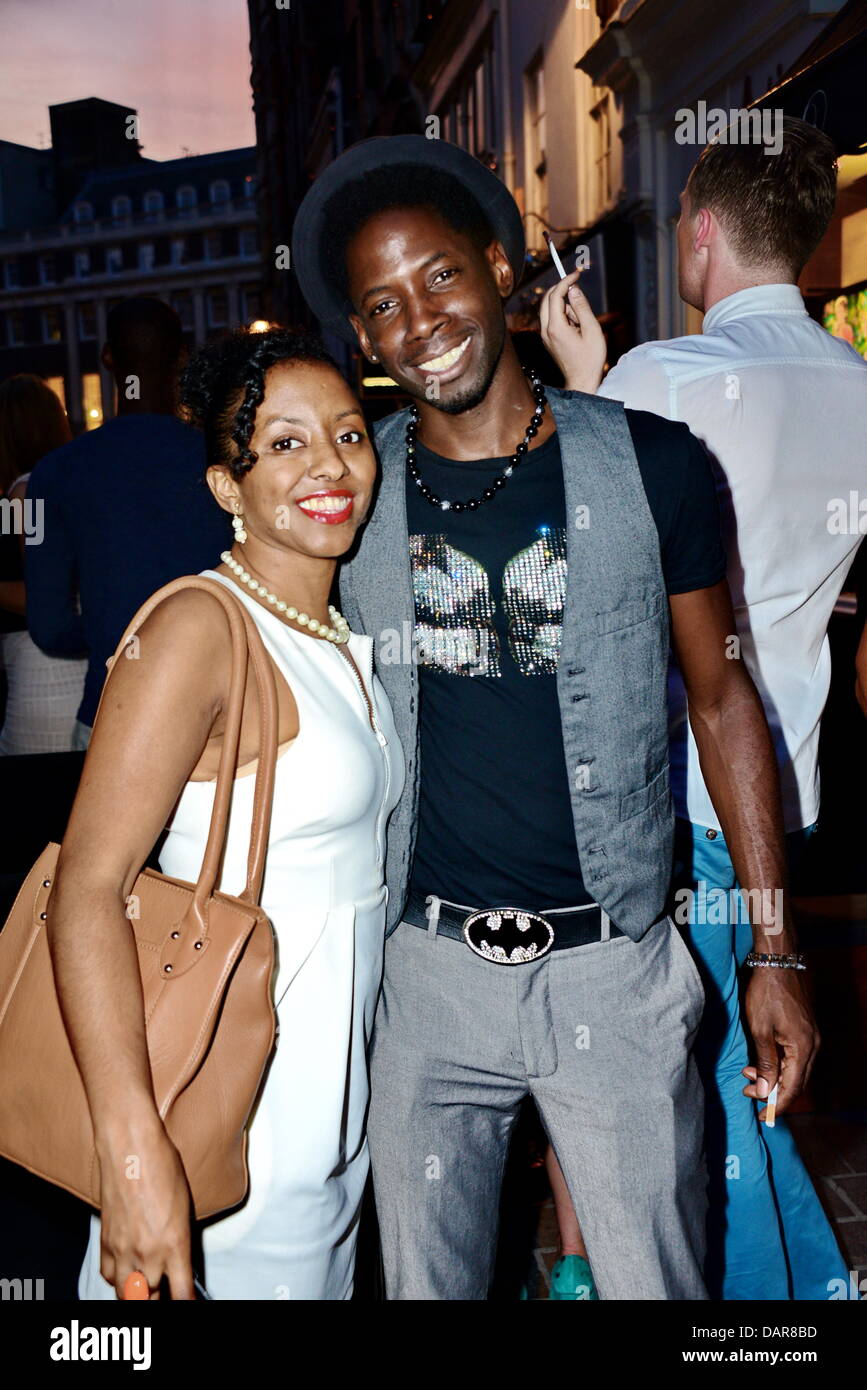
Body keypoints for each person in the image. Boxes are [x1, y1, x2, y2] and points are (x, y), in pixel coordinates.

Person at [291, 134, 819, 1301]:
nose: (419, 320)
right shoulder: (347, 499)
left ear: (496, 267)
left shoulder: (659, 466)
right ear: (363, 340)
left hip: (612, 970)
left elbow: (727, 702)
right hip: (421, 975)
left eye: (437, 277)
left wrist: (774, 950)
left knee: (656, 1286)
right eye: (381, 305)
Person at [542, 115, 862, 1300]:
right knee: (735, 1069)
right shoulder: (859, 388)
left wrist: (584, 381)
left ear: (706, 233)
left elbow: (584, 554)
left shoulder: (659, 378)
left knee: (708, 1085)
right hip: (785, 783)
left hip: (677, 789)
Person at [47, 327, 404, 1300]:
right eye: (284, 443)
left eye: (347, 433)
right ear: (225, 487)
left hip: (327, 1137)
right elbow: (86, 889)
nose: (328, 463)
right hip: (220, 1134)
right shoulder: (200, 627)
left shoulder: (335, 631)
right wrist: (132, 1158)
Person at [25, 298, 232, 751]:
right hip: (221, 719)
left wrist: (112, 626)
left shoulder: (52, 474)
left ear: (107, 358)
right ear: (181, 357)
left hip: (109, 714)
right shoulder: (230, 462)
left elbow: (48, 625)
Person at [0, 375, 87, 754]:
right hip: (74, 669)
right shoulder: (68, 484)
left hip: (45, 678)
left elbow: (39, 594)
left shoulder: (25, 493)